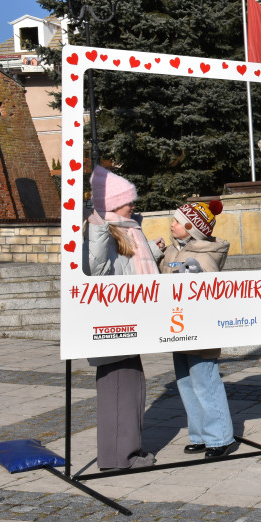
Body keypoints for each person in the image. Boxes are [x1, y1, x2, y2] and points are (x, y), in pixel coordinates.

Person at [83, 166, 158, 471]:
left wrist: (153, 250)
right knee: (120, 392)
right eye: (128, 201)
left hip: (128, 324)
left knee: (131, 390)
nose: (133, 205)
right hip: (112, 325)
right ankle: (120, 458)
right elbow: (97, 268)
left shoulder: (126, 229)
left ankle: (128, 451)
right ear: (112, 204)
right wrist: (98, 224)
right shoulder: (101, 232)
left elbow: (126, 266)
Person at [154, 200, 236, 457]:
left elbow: (209, 296)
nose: (172, 224)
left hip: (200, 332)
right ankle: (200, 434)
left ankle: (219, 437)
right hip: (178, 328)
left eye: (178, 221)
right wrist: (156, 255)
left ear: (192, 227)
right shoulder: (172, 251)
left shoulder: (203, 258)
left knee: (206, 383)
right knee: (187, 384)